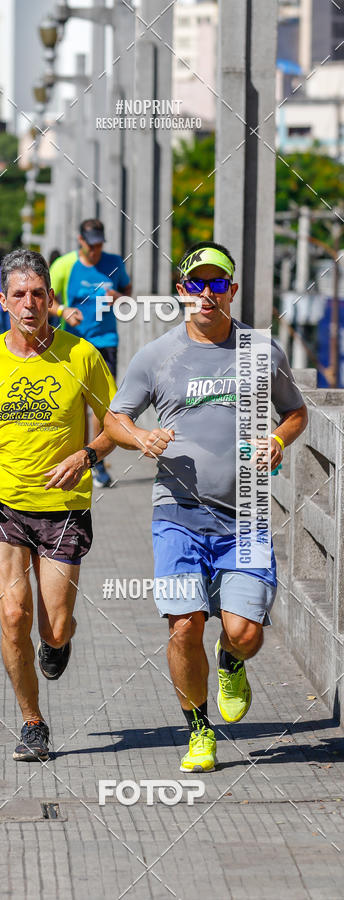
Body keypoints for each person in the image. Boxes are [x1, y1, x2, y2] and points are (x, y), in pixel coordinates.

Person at [104, 241, 308, 773]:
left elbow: (296, 412)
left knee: (245, 632)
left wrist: (280, 441)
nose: (207, 294)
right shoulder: (156, 356)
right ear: (181, 292)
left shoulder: (262, 351)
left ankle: (231, 660)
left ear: (232, 291)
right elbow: (114, 419)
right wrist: (139, 437)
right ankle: (199, 730)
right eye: (197, 284)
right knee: (183, 624)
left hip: (245, 514)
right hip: (177, 514)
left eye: (218, 284)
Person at [0, 249, 116, 762]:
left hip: (62, 507)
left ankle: (58, 643)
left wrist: (86, 456)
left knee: (53, 625)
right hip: (0, 503)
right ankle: (32, 723)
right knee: (13, 614)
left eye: (38, 293)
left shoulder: (81, 355)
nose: (28, 302)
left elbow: (116, 424)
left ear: (51, 300)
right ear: (2, 300)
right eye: (18, 293)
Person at [50, 218, 132, 488]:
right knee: (75, 404)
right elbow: (46, 299)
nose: (96, 251)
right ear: (80, 241)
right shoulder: (63, 265)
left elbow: (127, 294)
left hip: (106, 341)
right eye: (91, 245)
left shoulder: (115, 262)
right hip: (72, 344)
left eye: (99, 245)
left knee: (104, 408)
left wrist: (118, 297)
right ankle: (74, 457)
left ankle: (94, 461)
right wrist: (63, 311)